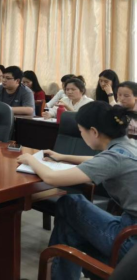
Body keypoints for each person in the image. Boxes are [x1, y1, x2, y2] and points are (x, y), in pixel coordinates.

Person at [16, 102, 137, 280]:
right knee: (69, 227)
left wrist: (30, 159)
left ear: (93, 132)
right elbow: (100, 160)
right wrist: (62, 156)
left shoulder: (115, 158)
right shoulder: (129, 146)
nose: (81, 135)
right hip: (131, 230)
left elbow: (52, 178)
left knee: (70, 203)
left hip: (130, 241)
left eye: (81, 131)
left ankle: (53, 270)